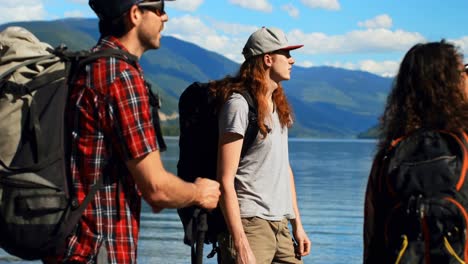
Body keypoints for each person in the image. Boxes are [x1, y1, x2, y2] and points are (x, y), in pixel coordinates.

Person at [58, 0, 221, 263]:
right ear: (135, 14)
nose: (165, 17)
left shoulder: (87, 67)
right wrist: (198, 192)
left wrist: (163, 193)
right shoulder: (121, 77)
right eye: (159, 9)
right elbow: (156, 188)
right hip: (100, 249)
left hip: (69, 246)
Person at [363, 40, 468, 263]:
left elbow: (373, 241)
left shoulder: (388, 157)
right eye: (464, 71)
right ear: (454, 84)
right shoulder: (463, 147)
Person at [214, 27, 311, 264]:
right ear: (267, 59)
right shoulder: (238, 105)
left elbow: (283, 169)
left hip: (281, 227)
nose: (292, 59)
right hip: (250, 225)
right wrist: (240, 243)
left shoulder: (278, 106)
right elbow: (225, 180)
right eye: (286, 54)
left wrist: (297, 223)